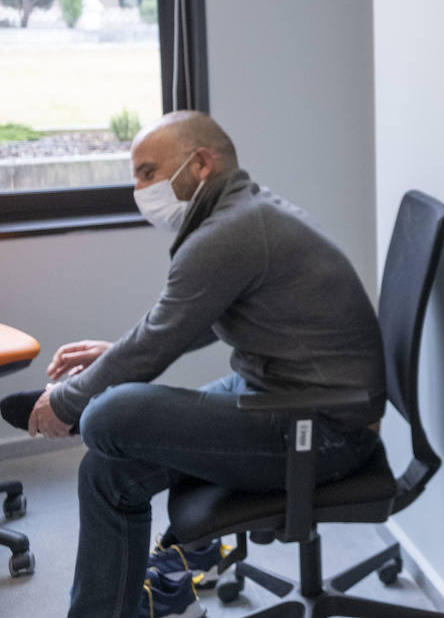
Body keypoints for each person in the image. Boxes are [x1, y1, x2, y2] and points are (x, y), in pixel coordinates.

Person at [16, 110, 386, 618]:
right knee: (106, 468)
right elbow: (185, 324)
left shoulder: (229, 231)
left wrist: (64, 402)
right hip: (287, 397)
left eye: (149, 172)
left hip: (322, 429)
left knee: (105, 416)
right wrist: (115, 354)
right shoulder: (242, 213)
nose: (139, 189)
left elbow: (156, 343)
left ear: (201, 163)